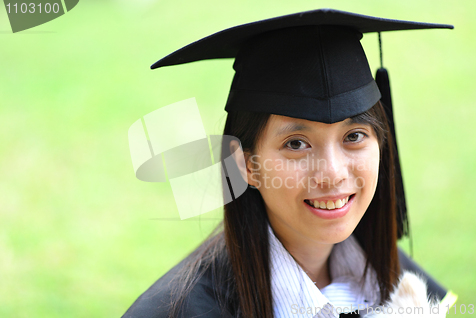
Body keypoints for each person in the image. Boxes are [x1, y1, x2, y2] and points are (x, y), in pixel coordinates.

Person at [122, 9, 456, 318]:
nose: (333, 173)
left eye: (353, 136)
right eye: (296, 144)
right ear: (245, 165)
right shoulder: (182, 309)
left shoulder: (397, 282)